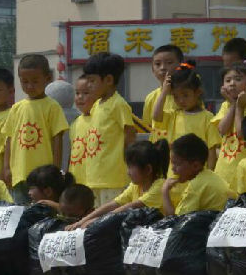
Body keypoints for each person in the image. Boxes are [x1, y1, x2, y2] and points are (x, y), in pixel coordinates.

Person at [2, 55, 69, 203]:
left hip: (43, 177)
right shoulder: (16, 108)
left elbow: (57, 140)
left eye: (35, 81)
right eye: (24, 82)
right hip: (19, 175)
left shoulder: (52, 106)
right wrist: (6, 167)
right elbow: (9, 139)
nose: (29, 86)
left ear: (47, 78)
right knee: (20, 211)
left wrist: (55, 170)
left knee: (43, 210)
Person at [68, 140, 170, 230]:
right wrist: (82, 221)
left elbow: (128, 207)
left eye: (131, 167)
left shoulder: (159, 186)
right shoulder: (136, 185)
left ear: (148, 169)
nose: (128, 172)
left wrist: (97, 220)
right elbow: (114, 204)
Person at [83, 52, 136, 205]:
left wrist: (130, 165)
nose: (88, 85)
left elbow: (130, 135)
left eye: (92, 81)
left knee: (110, 215)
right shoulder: (96, 105)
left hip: (113, 178)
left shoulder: (118, 104)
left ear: (108, 80)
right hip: (94, 177)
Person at [154, 62, 219, 170]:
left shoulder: (207, 117)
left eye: (185, 95)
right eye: (176, 96)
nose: (181, 100)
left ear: (198, 92)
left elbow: (211, 149)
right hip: (175, 173)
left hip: (197, 173)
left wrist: (210, 173)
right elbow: (156, 116)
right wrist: (164, 92)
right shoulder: (174, 115)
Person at [213, 62, 246, 189]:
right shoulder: (226, 105)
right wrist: (233, 105)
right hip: (224, 169)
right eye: (228, 80)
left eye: (238, 79)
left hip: (245, 170)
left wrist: (239, 108)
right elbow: (222, 129)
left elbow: (242, 133)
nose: (232, 83)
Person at [163, 134, 233, 215]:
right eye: (172, 163)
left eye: (177, 164)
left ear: (195, 166)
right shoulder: (208, 175)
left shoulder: (196, 186)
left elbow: (176, 220)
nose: (173, 168)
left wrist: (164, 191)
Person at [143, 45, 183, 142]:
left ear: (180, 66)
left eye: (169, 63)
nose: (163, 68)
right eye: (157, 64)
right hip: (158, 148)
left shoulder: (187, 95)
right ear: (153, 70)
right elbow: (148, 126)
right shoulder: (151, 97)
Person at [67, 76, 97, 184]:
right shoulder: (75, 123)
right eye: (77, 93)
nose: (80, 97)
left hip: (95, 180)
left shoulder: (100, 120)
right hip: (77, 181)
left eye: (86, 93)